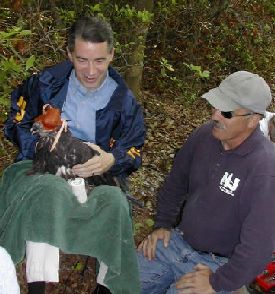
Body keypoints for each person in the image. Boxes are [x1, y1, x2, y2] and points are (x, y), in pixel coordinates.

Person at [1, 16, 145, 294]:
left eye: (100, 61)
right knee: (49, 191)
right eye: (82, 60)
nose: (91, 71)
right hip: (40, 168)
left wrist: (112, 159)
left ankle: (106, 288)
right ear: (69, 54)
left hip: (94, 175)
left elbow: (134, 148)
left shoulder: (123, 101)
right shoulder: (45, 84)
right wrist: (45, 145)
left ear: (112, 54)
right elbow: (14, 124)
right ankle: (37, 286)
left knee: (116, 203)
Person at [137, 71, 275, 293]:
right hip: (177, 242)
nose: (215, 116)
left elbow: (259, 247)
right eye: (216, 106)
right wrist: (162, 224)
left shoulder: (265, 168)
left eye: (226, 112)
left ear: (253, 120)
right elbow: (176, 182)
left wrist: (217, 282)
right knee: (120, 282)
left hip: (219, 265)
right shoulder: (204, 135)